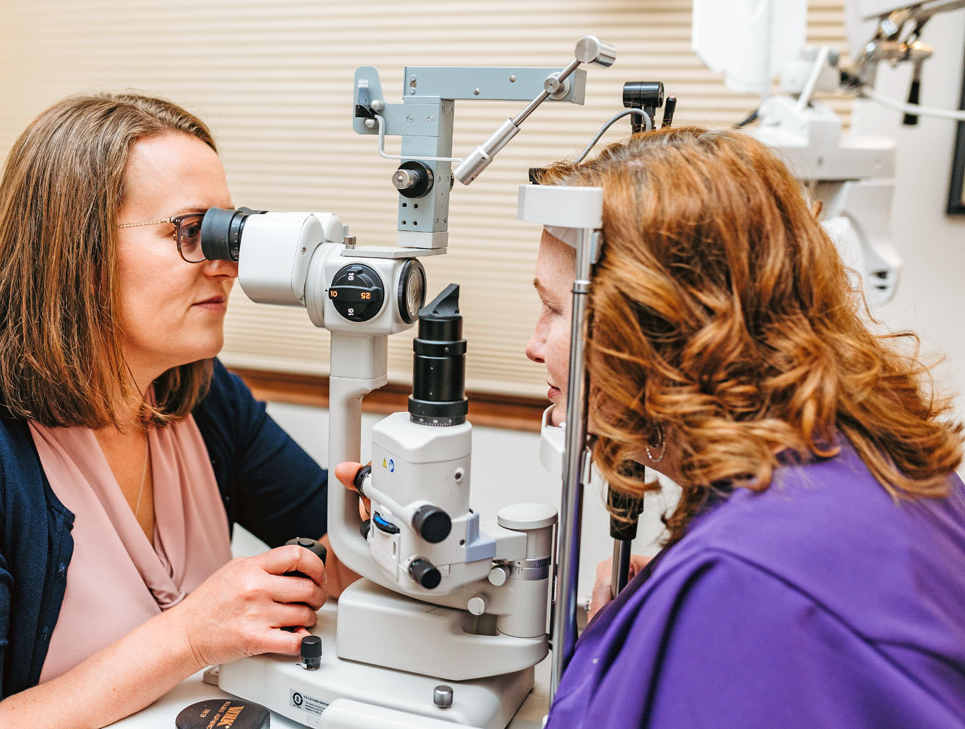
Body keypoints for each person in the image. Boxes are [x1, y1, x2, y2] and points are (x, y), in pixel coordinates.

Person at [334, 128, 965, 727]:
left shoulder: (748, 586)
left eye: (556, 309)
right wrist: (655, 614)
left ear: (662, 329)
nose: (532, 345)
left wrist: (692, 612)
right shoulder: (866, 465)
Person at [0, 93, 357, 729]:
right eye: (193, 232)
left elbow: (333, 550)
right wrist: (190, 637)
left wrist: (377, 536)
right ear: (73, 253)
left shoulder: (200, 395)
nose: (228, 265)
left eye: (233, 230)